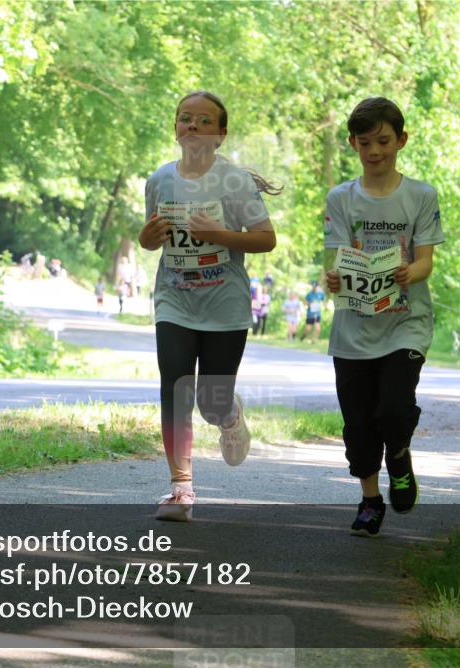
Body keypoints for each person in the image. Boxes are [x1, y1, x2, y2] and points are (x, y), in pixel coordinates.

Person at [138, 90, 280, 521]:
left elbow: (265, 239)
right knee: (175, 388)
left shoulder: (233, 181)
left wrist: (218, 234)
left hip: (225, 306)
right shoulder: (160, 180)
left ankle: (229, 415)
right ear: (176, 128)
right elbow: (147, 240)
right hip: (174, 301)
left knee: (210, 401)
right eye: (185, 118)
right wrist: (153, 234)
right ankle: (181, 490)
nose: (193, 126)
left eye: (203, 121)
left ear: (220, 134)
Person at [323, 96, 444, 538]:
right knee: (358, 423)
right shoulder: (340, 198)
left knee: (393, 409)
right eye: (366, 143)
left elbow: (426, 261)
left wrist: (408, 271)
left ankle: (399, 454)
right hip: (353, 330)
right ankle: (370, 500)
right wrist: (334, 279)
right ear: (353, 143)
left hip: (405, 322)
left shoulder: (420, 195)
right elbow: (332, 261)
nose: (375, 152)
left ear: (401, 140)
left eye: (384, 141)